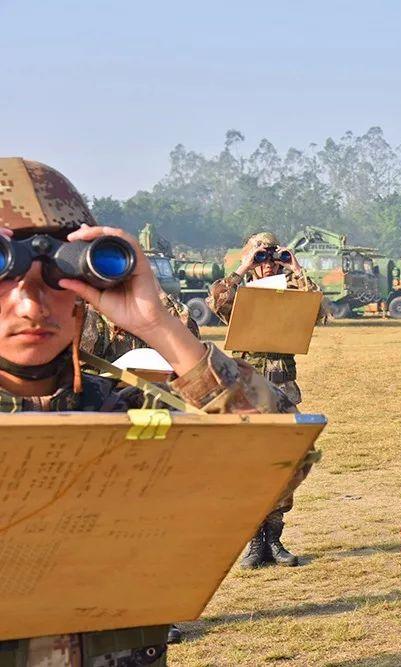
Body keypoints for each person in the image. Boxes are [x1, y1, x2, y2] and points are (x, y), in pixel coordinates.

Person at [0, 157, 293, 666]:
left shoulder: (127, 408)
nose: (31, 306)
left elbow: (281, 457)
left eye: (54, 277)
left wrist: (158, 325)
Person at [207, 232, 321, 567]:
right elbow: (217, 301)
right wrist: (244, 266)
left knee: (285, 463)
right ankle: (255, 543)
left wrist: (295, 266)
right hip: (246, 388)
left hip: (283, 389)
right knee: (249, 464)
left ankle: (275, 539)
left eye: (272, 257)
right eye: (261, 257)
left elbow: (318, 310)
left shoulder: (291, 291)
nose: (267, 263)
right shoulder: (240, 294)